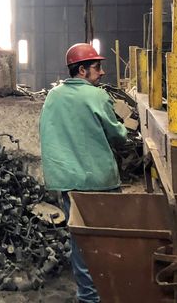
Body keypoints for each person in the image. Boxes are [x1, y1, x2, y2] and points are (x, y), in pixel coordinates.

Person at [38, 42, 128, 303]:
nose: (101, 73)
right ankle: (112, 289)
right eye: (96, 68)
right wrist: (125, 131)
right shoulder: (97, 96)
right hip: (101, 181)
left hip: (68, 182)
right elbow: (117, 134)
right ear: (81, 71)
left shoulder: (53, 96)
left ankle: (88, 296)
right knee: (109, 238)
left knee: (80, 241)